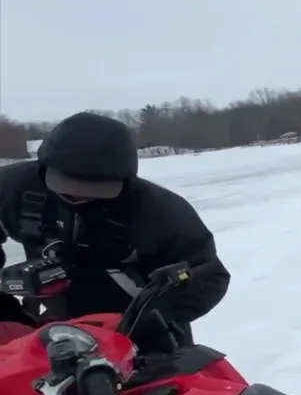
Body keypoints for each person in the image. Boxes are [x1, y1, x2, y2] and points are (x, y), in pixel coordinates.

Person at [0, 112, 230, 345]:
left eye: (94, 191)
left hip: (138, 334)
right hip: (47, 330)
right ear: (44, 168)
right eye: (67, 188)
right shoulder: (13, 188)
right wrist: (8, 313)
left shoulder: (162, 212)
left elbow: (210, 276)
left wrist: (148, 318)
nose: (78, 197)